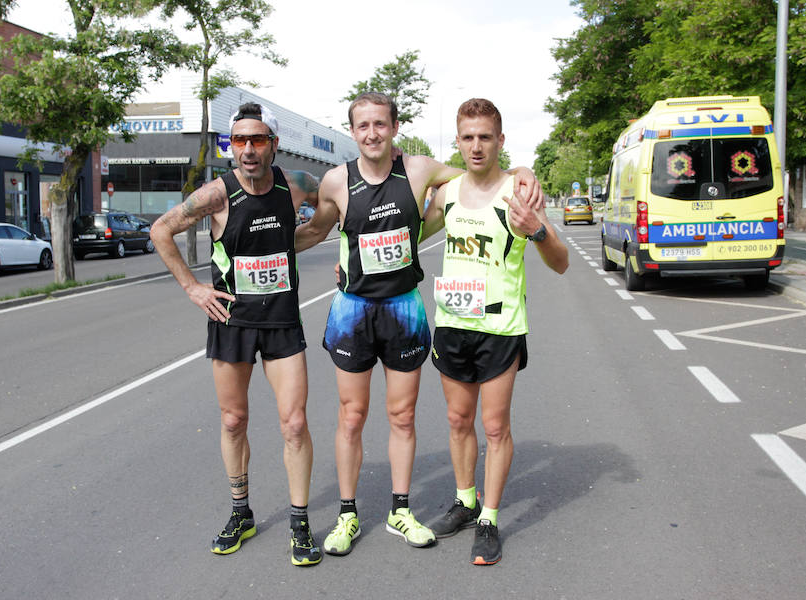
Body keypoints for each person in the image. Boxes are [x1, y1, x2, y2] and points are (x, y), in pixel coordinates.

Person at [295, 92, 543, 556]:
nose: (372, 133)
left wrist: (524, 172)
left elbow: (483, 174)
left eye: (380, 125)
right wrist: (270, 247)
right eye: (362, 126)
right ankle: (347, 516)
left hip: (405, 308)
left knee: (403, 416)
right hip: (352, 309)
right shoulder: (335, 180)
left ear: (394, 128)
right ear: (352, 131)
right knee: (351, 416)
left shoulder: (423, 170)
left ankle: (401, 510)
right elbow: (316, 230)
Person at [150, 103, 323, 567]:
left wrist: (300, 238)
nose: (247, 149)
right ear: (231, 146)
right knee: (232, 420)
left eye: (258, 140)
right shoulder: (217, 194)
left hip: (283, 319)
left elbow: (336, 206)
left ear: (273, 144)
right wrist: (192, 288)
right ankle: (241, 512)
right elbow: (161, 229)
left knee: (294, 423)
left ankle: (300, 523)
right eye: (239, 141)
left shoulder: (298, 185)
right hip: (233, 321)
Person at [421, 98, 568, 565]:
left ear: (501, 140)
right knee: (458, 421)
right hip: (452, 324)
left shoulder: (518, 193)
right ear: (458, 141)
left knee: (494, 426)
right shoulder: (447, 193)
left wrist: (538, 232)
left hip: (500, 329)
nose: (477, 145)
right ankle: (465, 501)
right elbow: (409, 236)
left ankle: (489, 516)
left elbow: (561, 262)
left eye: (486, 136)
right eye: (468, 137)